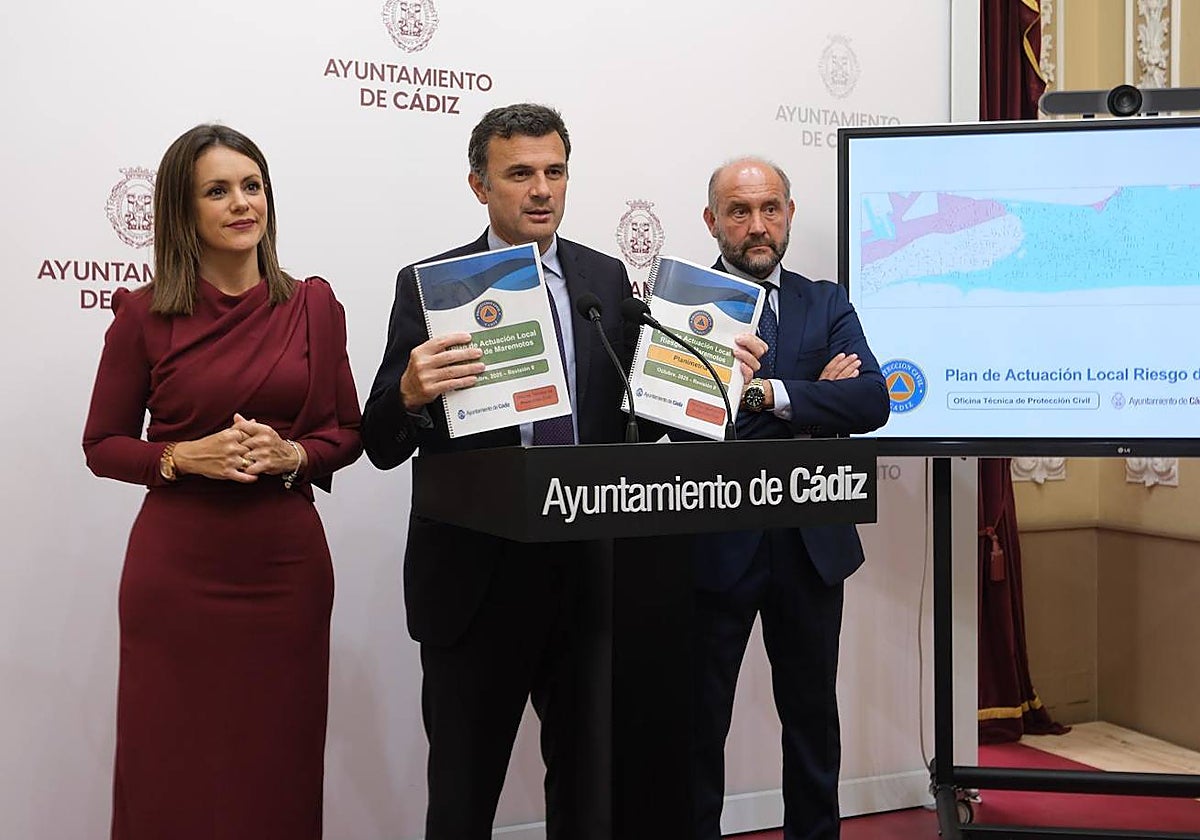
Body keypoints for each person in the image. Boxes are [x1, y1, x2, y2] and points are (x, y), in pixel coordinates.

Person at [360, 103, 762, 840]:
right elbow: (380, 440)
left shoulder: (604, 279)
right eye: (520, 174)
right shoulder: (432, 286)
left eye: (555, 171)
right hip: (477, 582)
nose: (542, 190)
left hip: (588, 579)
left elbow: (646, 415)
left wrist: (715, 379)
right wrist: (410, 394)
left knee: (588, 797)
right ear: (480, 186)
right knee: (462, 797)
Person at [82, 124, 363, 840]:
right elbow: (102, 445)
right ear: (184, 210)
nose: (242, 204)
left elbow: (347, 434)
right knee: (170, 764)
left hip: (286, 569)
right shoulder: (144, 314)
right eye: (217, 190)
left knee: (277, 763)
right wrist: (181, 457)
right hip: (179, 573)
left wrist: (293, 456)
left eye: (252, 186)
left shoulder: (315, 306)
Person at [690, 157, 890, 840]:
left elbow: (870, 401)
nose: (757, 225)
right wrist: (811, 404)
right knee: (699, 725)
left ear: (789, 214)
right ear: (712, 221)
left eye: (770, 208)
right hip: (714, 542)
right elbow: (685, 422)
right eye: (739, 211)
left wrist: (762, 393)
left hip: (812, 541)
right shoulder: (686, 306)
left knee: (812, 721)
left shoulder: (825, 301)